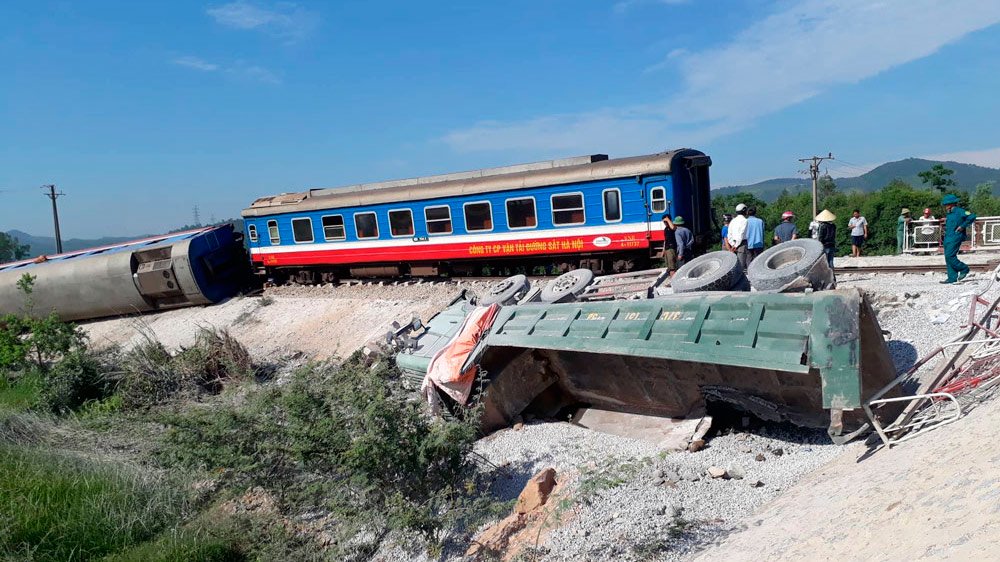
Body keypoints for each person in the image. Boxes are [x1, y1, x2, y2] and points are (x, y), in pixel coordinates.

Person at [940, 194, 977, 284]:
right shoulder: (949, 213)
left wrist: (963, 226)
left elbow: (972, 216)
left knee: (950, 256)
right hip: (948, 237)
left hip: (956, 236)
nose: (945, 206)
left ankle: (964, 268)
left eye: (946, 204)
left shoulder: (960, 211)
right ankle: (952, 278)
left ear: (952, 204)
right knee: (947, 257)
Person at [726, 203, 749, 270]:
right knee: (741, 265)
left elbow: (729, 234)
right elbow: (741, 234)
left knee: (734, 265)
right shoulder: (745, 220)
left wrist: (732, 244)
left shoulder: (733, 220)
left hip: (732, 244)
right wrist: (736, 245)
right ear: (744, 210)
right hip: (741, 244)